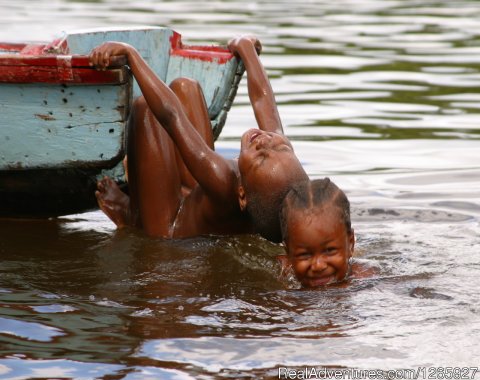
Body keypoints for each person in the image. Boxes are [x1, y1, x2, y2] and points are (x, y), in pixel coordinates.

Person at [89, 36, 308, 243]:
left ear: (242, 194)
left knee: (147, 111)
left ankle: (134, 215)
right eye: (281, 146)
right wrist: (246, 48)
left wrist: (131, 55)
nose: (265, 141)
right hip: (202, 206)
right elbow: (263, 99)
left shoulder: (222, 179)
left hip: (170, 229)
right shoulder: (278, 159)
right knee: (187, 87)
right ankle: (162, 197)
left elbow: (171, 117)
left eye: (260, 158)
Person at [278, 178, 356, 288]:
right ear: (288, 254)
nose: (318, 266)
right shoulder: (281, 279)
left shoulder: (365, 280)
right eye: (304, 254)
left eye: (329, 250)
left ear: (351, 244)